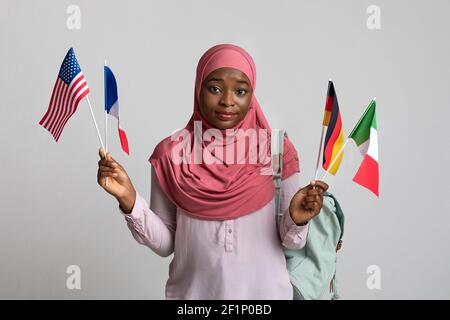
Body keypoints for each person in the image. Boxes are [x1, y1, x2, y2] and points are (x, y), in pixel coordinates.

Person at [97, 44, 328, 299]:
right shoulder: (171, 154)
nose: (227, 101)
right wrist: (130, 200)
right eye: (215, 88)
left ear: (252, 94)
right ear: (198, 89)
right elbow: (165, 244)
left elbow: (291, 241)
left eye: (240, 91)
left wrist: (298, 218)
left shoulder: (276, 150)